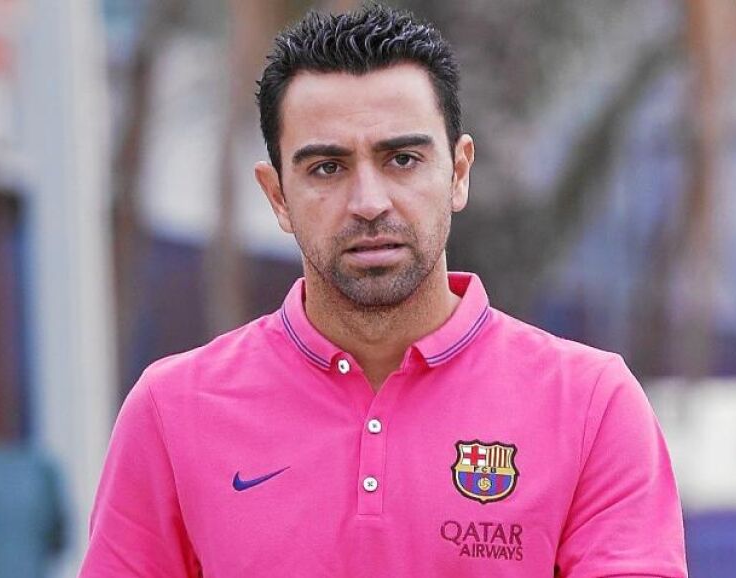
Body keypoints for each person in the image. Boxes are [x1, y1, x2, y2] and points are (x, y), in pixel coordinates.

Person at [79, 5, 687, 577]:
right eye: (327, 168)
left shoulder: (591, 405)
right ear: (277, 196)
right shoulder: (172, 410)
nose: (369, 203)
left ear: (458, 172)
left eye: (402, 159)